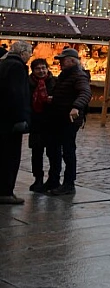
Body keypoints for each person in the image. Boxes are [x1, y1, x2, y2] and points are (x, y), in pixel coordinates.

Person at [45, 47, 92, 196]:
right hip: (57, 119)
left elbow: (85, 92)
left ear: (72, 61)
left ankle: (69, 184)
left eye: (63, 60)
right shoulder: (65, 75)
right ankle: (53, 179)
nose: (60, 63)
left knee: (68, 151)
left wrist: (76, 107)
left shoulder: (79, 75)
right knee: (53, 150)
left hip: (69, 120)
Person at [0, 41, 33, 204]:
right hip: (11, 121)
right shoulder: (17, 67)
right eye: (29, 53)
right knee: (10, 156)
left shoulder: (4, 63)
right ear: (23, 52)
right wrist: (22, 118)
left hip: (3, 119)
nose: (30, 56)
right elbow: (18, 94)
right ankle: (6, 191)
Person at [27, 58, 56, 193]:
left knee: (53, 152)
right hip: (36, 122)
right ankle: (38, 178)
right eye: (38, 68)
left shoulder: (53, 81)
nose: (41, 71)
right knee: (37, 152)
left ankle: (53, 179)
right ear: (33, 70)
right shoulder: (28, 82)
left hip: (51, 122)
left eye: (43, 68)